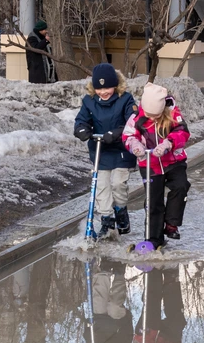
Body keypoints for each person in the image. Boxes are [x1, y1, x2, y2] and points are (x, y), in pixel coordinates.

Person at [122, 83, 191, 249]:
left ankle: (171, 223)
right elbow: (128, 136)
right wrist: (135, 145)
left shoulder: (173, 112)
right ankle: (154, 237)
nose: (152, 118)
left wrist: (169, 143)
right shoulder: (136, 119)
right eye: (149, 115)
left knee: (181, 186)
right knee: (153, 200)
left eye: (156, 115)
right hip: (150, 164)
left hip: (174, 161)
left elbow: (183, 132)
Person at [74, 63, 138, 237]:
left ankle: (121, 211)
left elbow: (133, 122)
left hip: (121, 149)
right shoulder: (89, 101)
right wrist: (81, 129)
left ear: (115, 85)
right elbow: (82, 120)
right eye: (99, 88)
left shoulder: (125, 99)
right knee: (101, 186)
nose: (104, 92)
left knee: (118, 183)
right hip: (100, 150)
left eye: (107, 87)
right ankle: (107, 220)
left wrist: (117, 133)